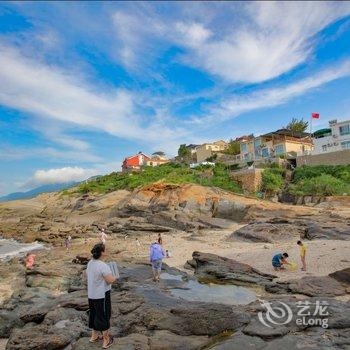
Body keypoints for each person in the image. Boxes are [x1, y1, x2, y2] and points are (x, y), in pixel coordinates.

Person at [86, 243, 116, 349]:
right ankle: (106, 340)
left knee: (94, 314)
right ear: (102, 252)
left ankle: (94, 336)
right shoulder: (103, 265)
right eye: (105, 250)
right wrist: (115, 277)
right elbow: (110, 280)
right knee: (103, 316)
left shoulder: (90, 263)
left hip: (91, 294)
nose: (106, 251)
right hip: (101, 295)